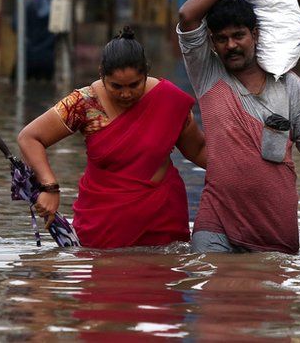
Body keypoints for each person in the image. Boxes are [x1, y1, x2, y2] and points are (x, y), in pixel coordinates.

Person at [177, 0, 300, 254]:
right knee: (212, 285)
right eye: (221, 39)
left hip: (274, 223)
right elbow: (187, 15)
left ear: (255, 36)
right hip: (216, 219)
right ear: (212, 44)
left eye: (238, 36)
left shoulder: (289, 85)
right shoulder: (208, 74)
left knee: (270, 298)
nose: (231, 45)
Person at [16, 28, 207, 249]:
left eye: (135, 85)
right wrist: (50, 188)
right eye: (116, 86)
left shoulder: (169, 99)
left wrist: (244, 172)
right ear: (101, 75)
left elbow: (199, 150)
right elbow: (30, 137)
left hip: (163, 221)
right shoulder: (84, 102)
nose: (126, 94)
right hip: (101, 227)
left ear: (146, 73)